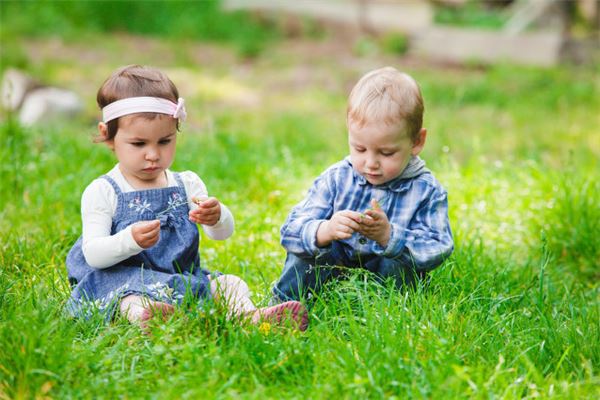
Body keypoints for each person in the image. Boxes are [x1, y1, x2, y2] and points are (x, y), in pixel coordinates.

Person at [66, 65, 307, 331]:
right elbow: (94, 256)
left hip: (179, 279)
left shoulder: (187, 183)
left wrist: (216, 217)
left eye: (164, 141)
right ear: (107, 136)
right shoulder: (104, 191)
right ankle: (151, 319)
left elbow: (221, 234)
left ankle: (246, 316)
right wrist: (130, 240)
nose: (153, 154)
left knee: (230, 283)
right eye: (139, 144)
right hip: (124, 280)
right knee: (131, 300)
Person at [272, 66, 453, 303]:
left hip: (385, 274)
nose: (370, 163)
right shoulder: (337, 178)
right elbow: (290, 230)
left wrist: (390, 236)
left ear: (417, 142)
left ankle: (389, 310)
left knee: (397, 262)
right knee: (309, 254)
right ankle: (285, 305)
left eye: (386, 153)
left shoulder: (426, 191)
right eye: (359, 149)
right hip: (335, 268)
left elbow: (438, 246)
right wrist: (324, 230)